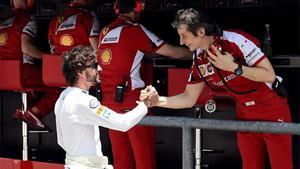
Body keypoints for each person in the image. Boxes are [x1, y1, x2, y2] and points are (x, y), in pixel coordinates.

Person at [141, 8, 292, 169]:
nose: (181, 42)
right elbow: (188, 98)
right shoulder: (199, 59)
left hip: (271, 107)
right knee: (250, 165)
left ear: (200, 31)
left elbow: (269, 75)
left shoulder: (234, 40)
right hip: (244, 113)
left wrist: (235, 67)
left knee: (281, 165)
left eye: (184, 36)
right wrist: (158, 101)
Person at [97, 0, 192, 168]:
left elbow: (127, 55)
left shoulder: (105, 31)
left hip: (109, 104)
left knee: (121, 161)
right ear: (137, 8)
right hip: (134, 102)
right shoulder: (135, 29)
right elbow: (174, 52)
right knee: (144, 162)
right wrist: (200, 52)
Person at [55, 45, 152, 169]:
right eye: (94, 65)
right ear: (80, 72)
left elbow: (61, 141)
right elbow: (122, 123)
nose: (99, 68)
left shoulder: (63, 97)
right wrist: (146, 104)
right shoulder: (84, 101)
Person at [0, 0, 59, 131]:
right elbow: (26, 48)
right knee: (59, 84)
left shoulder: (3, 23)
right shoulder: (28, 19)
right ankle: (35, 112)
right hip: (23, 71)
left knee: (36, 85)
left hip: (4, 75)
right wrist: (51, 58)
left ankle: (23, 109)